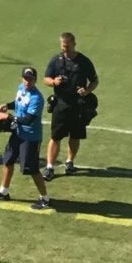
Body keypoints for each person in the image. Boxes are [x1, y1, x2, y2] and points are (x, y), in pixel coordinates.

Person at [0, 67, 50, 209]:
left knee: (32, 168)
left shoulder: (37, 98)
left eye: (30, 79)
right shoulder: (20, 88)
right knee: (7, 160)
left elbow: (28, 119)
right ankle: (3, 192)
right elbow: (18, 102)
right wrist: (7, 106)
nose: (27, 81)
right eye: (25, 78)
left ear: (35, 80)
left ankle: (45, 198)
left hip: (30, 137)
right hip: (18, 133)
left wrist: (8, 116)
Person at [42, 30, 98, 179]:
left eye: (67, 46)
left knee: (75, 136)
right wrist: (54, 82)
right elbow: (46, 79)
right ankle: (49, 167)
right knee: (56, 136)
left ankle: (69, 162)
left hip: (78, 105)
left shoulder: (84, 62)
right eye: (63, 46)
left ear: (74, 44)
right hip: (61, 104)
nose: (64, 49)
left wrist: (86, 91)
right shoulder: (56, 60)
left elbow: (94, 81)